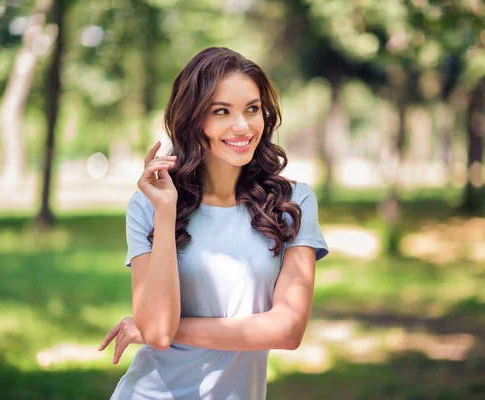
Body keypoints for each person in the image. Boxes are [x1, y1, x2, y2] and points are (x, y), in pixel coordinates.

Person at [98, 47, 329, 400]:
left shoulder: (292, 203)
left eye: (252, 109)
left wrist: (164, 329)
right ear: (194, 120)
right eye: (222, 111)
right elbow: (158, 333)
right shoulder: (149, 206)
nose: (243, 125)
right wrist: (165, 209)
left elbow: (287, 329)